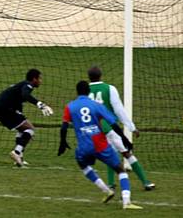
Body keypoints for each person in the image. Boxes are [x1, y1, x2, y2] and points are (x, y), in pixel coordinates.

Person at [59, 80, 142, 210]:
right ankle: (127, 202)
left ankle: (106, 190)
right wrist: (125, 139)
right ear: (88, 92)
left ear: (77, 92)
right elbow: (113, 124)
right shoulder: (96, 105)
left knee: (83, 165)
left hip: (84, 146)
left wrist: (62, 142)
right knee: (120, 169)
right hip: (100, 144)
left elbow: (64, 127)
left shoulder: (70, 106)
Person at [87, 66, 155, 191]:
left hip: (93, 130)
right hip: (109, 128)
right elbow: (119, 110)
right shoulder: (109, 88)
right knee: (126, 153)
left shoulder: (85, 90)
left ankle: (111, 183)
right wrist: (132, 127)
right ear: (101, 75)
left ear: (89, 77)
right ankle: (145, 182)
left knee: (110, 153)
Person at [0, 68, 54, 167]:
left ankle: (19, 158)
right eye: (40, 79)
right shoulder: (27, 85)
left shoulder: (20, 86)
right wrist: (40, 104)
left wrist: (20, 116)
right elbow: (25, 95)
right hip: (4, 109)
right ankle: (16, 152)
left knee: (23, 130)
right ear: (34, 79)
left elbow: (18, 102)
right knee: (30, 129)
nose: (41, 81)